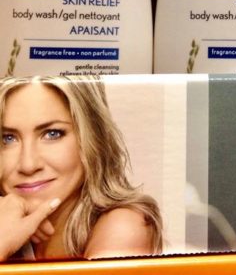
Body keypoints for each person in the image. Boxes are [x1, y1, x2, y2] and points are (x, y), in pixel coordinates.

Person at [0, 75, 163, 261]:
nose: (28, 165)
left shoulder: (123, 226)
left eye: (52, 134)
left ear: (92, 138)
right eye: (7, 138)